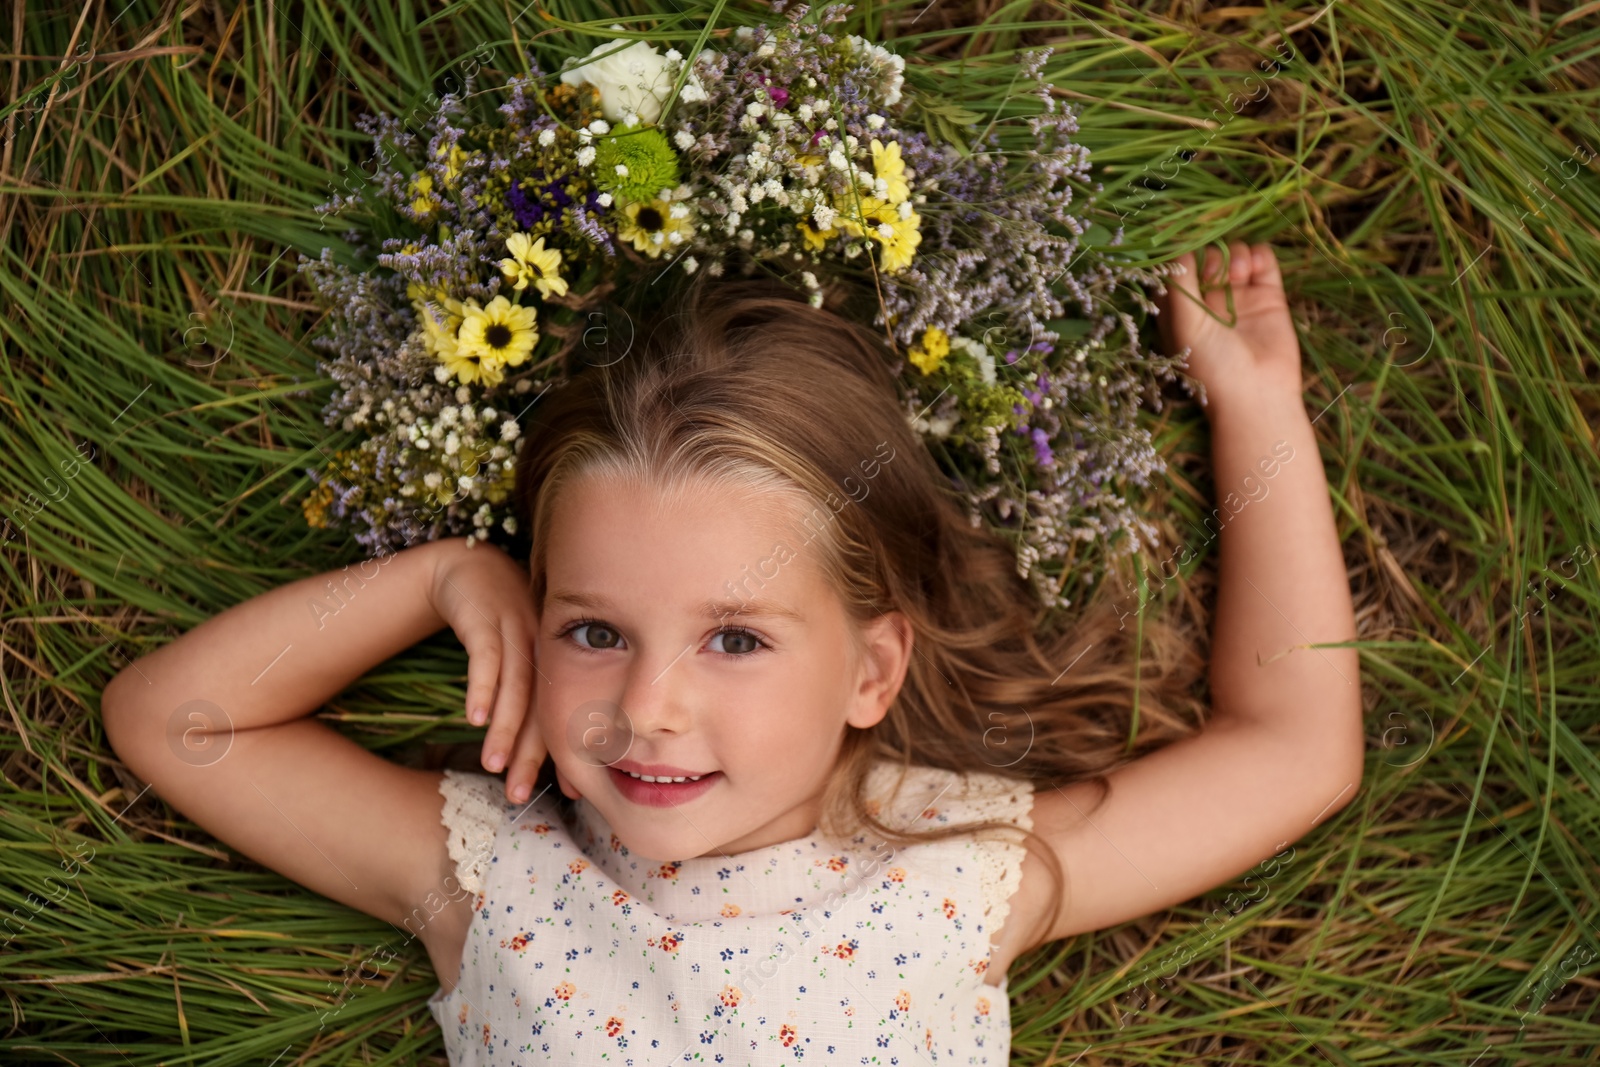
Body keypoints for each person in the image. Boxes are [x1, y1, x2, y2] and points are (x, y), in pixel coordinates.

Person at [102, 239, 1363, 1064]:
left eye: (738, 638)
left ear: (872, 671)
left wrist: (1257, 406)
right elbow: (179, 722)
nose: (648, 707)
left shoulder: (954, 872)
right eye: (593, 629)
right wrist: (438, 579)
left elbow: (1292, 748)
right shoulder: (493, 878)